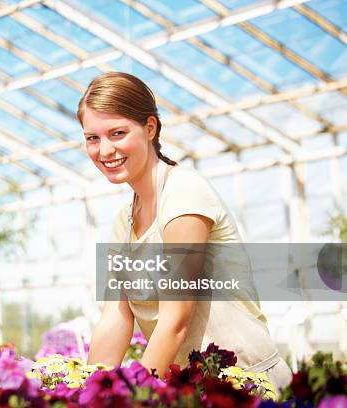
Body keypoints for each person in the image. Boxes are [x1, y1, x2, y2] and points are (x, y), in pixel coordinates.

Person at [78, 72, 292, 390]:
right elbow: (115, 319)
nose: (105, 150)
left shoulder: (184, 195)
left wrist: (133, 396)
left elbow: (175, 321)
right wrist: (88, 390)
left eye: (117, 133)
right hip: (191, 390)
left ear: (150, 128)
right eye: (92, 138)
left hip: (245, 386)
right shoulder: (123, 221)